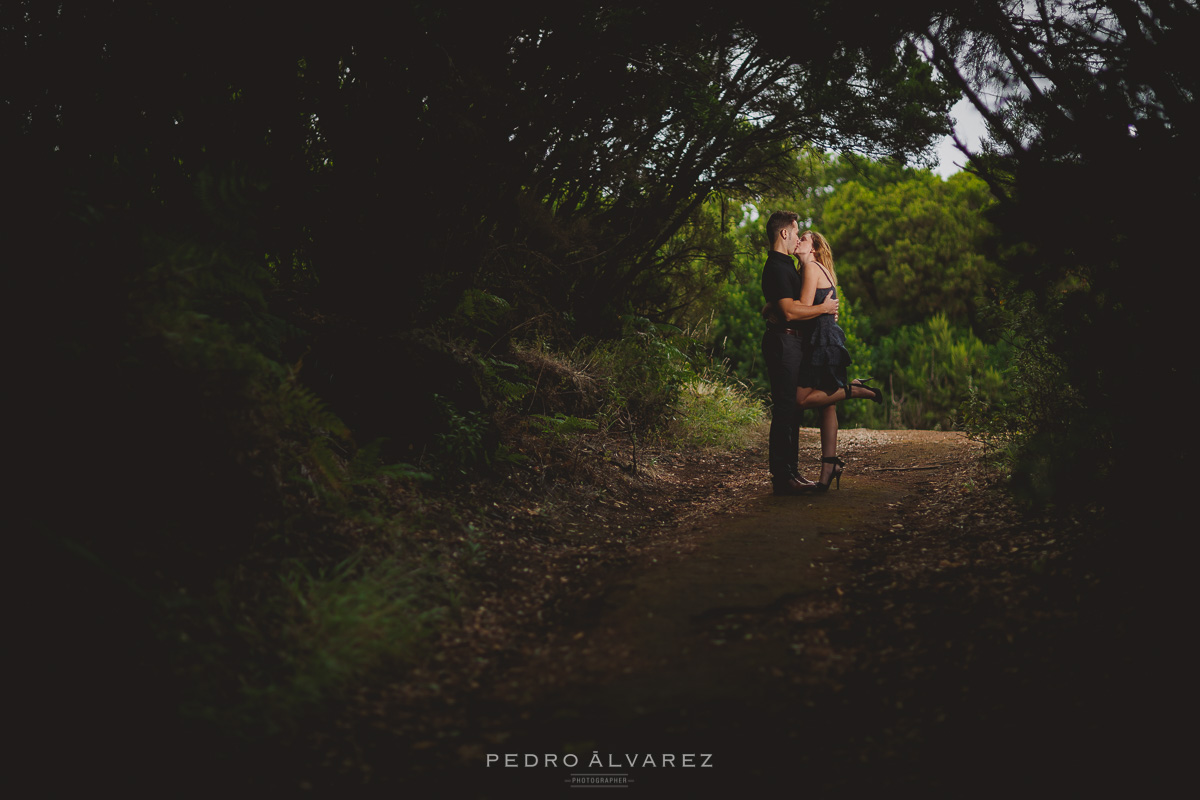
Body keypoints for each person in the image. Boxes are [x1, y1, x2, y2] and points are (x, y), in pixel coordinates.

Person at [788, 229, 883, 491]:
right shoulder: (822, 268)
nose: (798, 241)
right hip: (829, 338)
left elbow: (803, 309)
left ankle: (852, 390)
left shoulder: (810, 267)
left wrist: (775, 308)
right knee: (827, 405)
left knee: (800, 399)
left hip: (819, 341)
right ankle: (829, 467)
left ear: (814, 248)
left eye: (803, 239)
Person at [760, 211, 837, 495]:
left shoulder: (788, 266)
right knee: (784, 410)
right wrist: (824, 309)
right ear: (784, 234)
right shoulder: (777, 267)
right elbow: (791, 312)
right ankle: (782, 477)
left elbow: (781, 305)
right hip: (783, 343)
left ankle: (791, 472)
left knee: (793, 410)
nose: (797, 237)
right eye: (795, 232)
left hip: (793, 342)